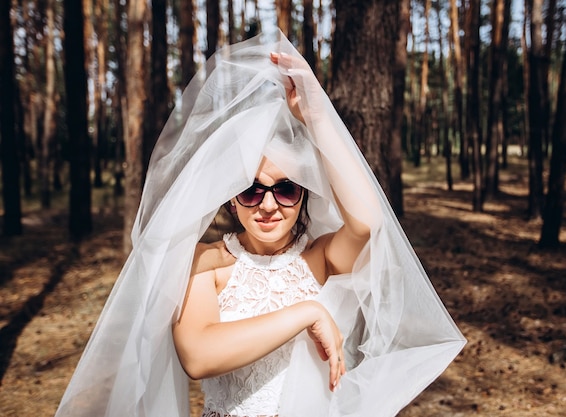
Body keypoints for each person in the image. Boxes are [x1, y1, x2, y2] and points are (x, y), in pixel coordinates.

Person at [55, 31, 465, 417]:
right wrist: (306, 313)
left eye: (285, 189)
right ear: (233, 200)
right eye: (251, 190)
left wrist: (317, 118)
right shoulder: (204, 263)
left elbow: (368, 222)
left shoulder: (320, 258)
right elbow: (197, 356)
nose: (268, 205)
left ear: (303, 194)